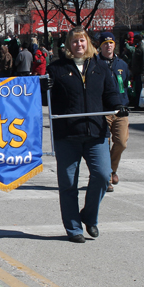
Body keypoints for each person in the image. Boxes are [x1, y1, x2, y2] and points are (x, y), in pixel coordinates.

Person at [46, 26, 128, 243]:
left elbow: (111, 94)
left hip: (96, 133)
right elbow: (45, 99)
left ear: (88, 43)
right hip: (67, 135)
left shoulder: (100, 67)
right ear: (68, 45)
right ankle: (73, 229)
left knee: (102, 175)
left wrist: (119, 105)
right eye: (74, 42)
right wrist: (45, 87)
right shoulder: (56, 69)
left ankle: (89, 217)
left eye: (82, 41)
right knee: (68, 184)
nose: (78, 45)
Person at [98, 32, 131, 192]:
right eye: (105, 43)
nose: (108, 45)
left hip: (120, 110)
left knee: (121, 142)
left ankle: (111, 169)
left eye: (111, 42)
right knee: (104, 145)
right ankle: (106, 178)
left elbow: (125, 83)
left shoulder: (122, 64)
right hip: (103, 110)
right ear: (100, 45)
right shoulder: (95, 63)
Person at [129, 34, 143, 108]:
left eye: (135, 39)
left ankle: (139, 104)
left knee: (139, 90)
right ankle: (136, 103)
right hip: (136, 73)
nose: (134, 41)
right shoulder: (138, 48)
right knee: (136, 89)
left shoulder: (141, 49)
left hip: (140, 74)